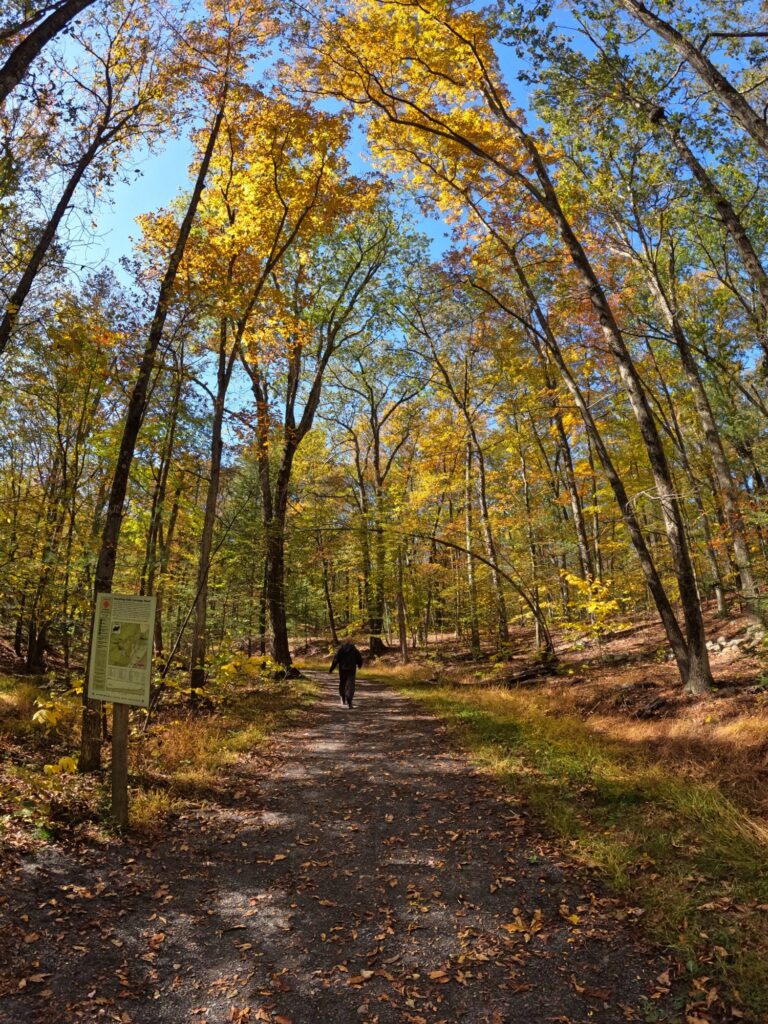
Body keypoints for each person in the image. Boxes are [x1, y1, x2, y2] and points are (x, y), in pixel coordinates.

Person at [329, 640, 363, 708]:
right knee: (351, 684)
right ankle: (349, 701)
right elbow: (359, 658)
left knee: (343, 683)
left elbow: (335, 660)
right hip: (352, 669)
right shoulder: (354, 650)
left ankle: (342, 698)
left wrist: (331, 669)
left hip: (342, 669)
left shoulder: (340, 650)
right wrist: (359, 665)